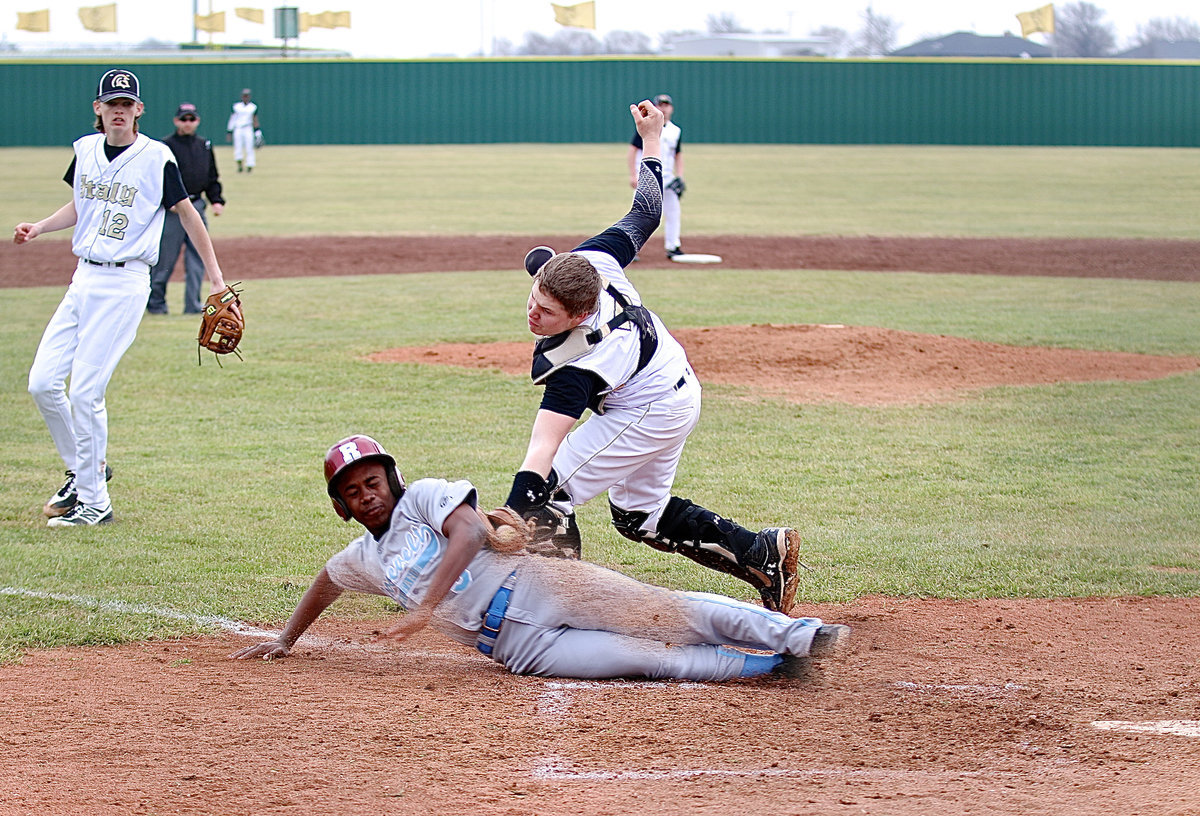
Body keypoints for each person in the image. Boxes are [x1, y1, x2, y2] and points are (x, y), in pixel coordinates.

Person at [229, 434, 850, 681]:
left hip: (545, 587)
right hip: (516, 649)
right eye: (352, 492)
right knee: (646, 660)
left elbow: (470, 534)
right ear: (342, 506)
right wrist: (286, 639)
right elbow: (324, 582)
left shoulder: (423, 498)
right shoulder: (366, 557)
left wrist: (424, 611)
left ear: (391, 479)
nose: (366, 495)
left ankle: (800, 634)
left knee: (673, 612)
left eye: (372, 482)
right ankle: (770, 670)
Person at [505, 100, 802, 616]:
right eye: (534, 297)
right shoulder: (591, 262)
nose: (534, 313)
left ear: (580, 316)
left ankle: (559, 616)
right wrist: (651, 138)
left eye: (548, 312)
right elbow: (647, 210)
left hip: (651, 408)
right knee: (638, 516)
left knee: (549, 494)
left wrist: (514, 510)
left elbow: (543, 448)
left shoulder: (584, 360)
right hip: (672, 384)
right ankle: (761, 553)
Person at [14, 68, 236, 527]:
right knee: (42, 383)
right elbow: (81, 205)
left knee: (87, 392)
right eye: (110, 103)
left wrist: (216, 279)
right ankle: (83, 472)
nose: (118, 111)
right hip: (83, 280)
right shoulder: (85, 150)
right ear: (98, 109)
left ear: (139, 110)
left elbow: (188, 215)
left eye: (126, 104)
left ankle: (96, 505)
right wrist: (39, 226)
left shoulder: (157, 158)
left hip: (125, 283)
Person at [147, 103, 225, 315]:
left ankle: (193, 306)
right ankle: (156, 305)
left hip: (196, 205)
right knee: (164, 260)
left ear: (197, 121)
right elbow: (156, 179)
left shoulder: (204, 145)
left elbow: (211, 177)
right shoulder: (165, 146)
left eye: (192, 119)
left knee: (197, 260)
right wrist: (167, 201)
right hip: (172, 210)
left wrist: (216, 200)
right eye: (184, 119)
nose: (188, 123)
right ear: (176, 121)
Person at [627, 93, 684, 258]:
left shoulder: (675, 131)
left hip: (667, 177)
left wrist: (679, 175)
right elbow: (632, 151)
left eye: (667, 105)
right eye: (661, 105)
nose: (664, 108)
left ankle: (673, 246)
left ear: (671, 108)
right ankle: (632, 248)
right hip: (647, 176)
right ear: (656, 107)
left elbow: (678, 155)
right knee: (639, 213)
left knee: (673, 212)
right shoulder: (647, 126)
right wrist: (633, 175)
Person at [225, 88, 260, 173]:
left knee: (249, 147)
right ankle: (239, 165)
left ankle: (250, 166)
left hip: (248, 128)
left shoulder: (253, 107)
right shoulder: (236, 107)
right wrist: (229, 131)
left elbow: (255, 119)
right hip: (238, 128)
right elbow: (232, 119)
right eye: (244, 96)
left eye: (247, 96)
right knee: (238, 147)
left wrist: (257, 132)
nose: (245, 98)